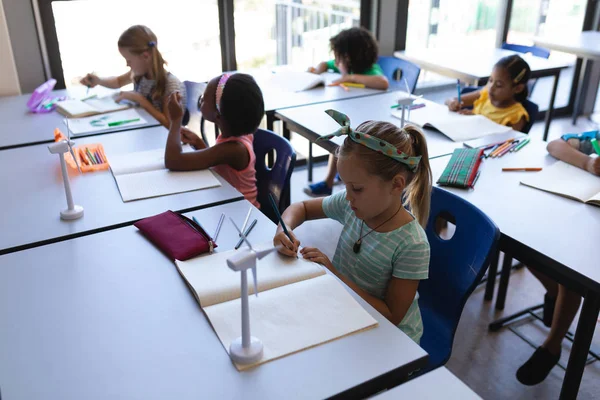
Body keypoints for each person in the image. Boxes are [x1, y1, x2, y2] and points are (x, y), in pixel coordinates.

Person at [274, 110, 431, 343]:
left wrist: (333, 274)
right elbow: (302, 208)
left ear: (396, 184)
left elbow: (391, 316)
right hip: (347, 309)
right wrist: (283, 229)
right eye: (344, 185)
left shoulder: (412, 244)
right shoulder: (353, 205)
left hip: (390, 341)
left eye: (356, 188)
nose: (347, 196)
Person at [516, 129, 600, 386]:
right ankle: (555, 293)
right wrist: (587, 162)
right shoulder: (595, 138)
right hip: (584, 217)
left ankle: (552, 345)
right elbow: (555, 145)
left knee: (571, 271)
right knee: (525, 244)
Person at [304, 27, 389, 197]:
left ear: (349, 57)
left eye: (338, 57)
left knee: (342, 139)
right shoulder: (345, 66)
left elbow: (383, 83)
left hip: (369, 122)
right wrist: (317, 69)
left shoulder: (369, 71)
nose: (335, 62)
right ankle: (332, 178)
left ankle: (329, 180)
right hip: (352, 115)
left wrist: (349, 77)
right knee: (339, 133)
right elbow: (325, 64)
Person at [164, 73, 264, 208]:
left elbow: (173, 161)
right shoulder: (239, 136)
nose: (201, 100)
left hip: (242, 214)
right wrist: (199, 143)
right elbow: (218, 163)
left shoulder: (234, 149)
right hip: (227, 202)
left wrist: (175, 120)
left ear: (218, 114)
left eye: (203, 99)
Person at [80, 25, 185, 128]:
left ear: (145, 56)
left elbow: (170, 125)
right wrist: (99, 81)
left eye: (129, 60)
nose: (127, 64)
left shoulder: (170, 84)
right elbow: (118, 82)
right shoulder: (140, 74)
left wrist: (140, 99)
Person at [445, 55, 531, 133]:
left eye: (498, 85)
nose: (491, 87)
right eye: (490, 80)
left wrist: (477, 120)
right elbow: (450, 100)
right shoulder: (485, 94)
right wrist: (452, 103)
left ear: (518, 88)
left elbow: (507, 144)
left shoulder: (516, 116)